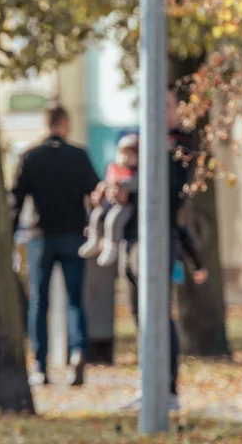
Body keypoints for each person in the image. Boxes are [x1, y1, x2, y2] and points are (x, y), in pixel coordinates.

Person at [114, 90, 207, 411]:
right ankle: (148, 384)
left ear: (177, 108)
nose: (157, 111)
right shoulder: (145, 142)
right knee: (140, 315)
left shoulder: (180, 144)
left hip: (158, 237)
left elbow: (168, 189)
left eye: (165, 105)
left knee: (158, 314)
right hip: (131, 237)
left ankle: (167, 390)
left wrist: (131, 190)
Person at [11, 105, 100, 386]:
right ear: (65, 123)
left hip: (41, 236)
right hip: (74, 235)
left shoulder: (31, 156)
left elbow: (16, 200)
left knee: (39, 302)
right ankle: (77, 352)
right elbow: (95, 193)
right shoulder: (79, 155)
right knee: (75, 301)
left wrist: (11, 238)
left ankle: (40, 365)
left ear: (46, 123)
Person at [80, 133, 139, 267]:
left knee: (113, 219)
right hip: (112, 205)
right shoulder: (116, 169)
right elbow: (107, 183)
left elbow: (133, 186)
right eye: (124, 154)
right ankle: (94, 239)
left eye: (130, 155)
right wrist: (103, 189)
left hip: (127, 214)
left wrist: (122, 187)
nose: (126, 159)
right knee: (96, 214)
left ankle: (112, 246)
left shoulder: (138, 173)